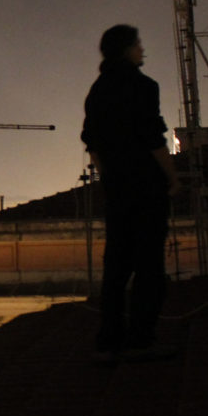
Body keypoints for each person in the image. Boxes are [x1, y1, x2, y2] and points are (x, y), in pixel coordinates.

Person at [81, 24, 181, 361]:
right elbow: (154, 140)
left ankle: (109, 340)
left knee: (117, 266)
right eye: (138, 44)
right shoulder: (142, 87)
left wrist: (110, 176)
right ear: (126, 49)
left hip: (118, 190)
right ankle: (141, 339)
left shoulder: (97, 91)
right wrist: (173, 178)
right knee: (150, 266)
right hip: (146, 188)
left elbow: (91, 144)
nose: (143, 50)